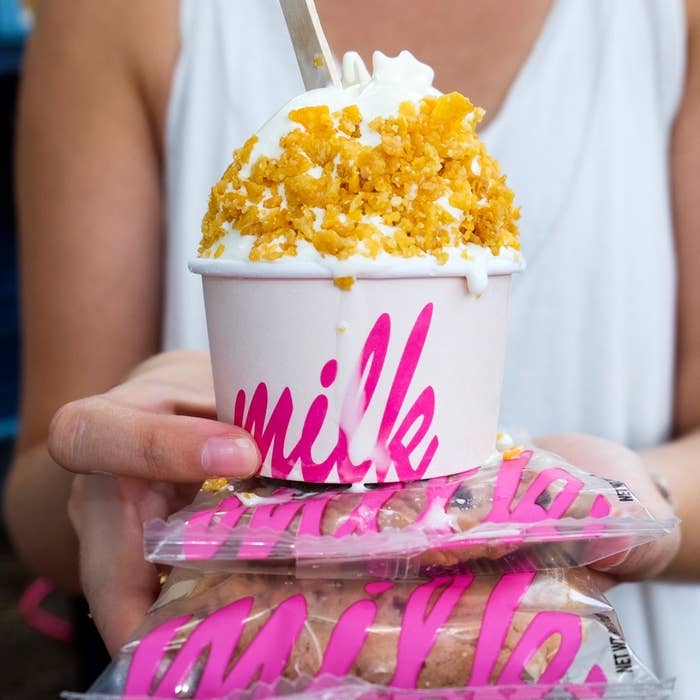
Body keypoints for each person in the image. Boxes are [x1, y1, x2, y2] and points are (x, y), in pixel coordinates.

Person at [4, 0, 699, 697]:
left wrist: (627, 497)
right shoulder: (114, 16)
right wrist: (127, 467)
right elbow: (39, 496)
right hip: (247, 658)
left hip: (599, 657)